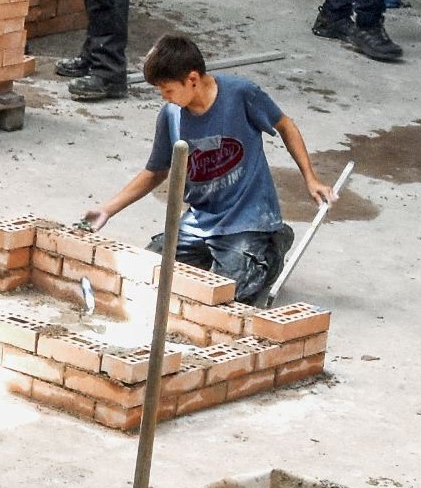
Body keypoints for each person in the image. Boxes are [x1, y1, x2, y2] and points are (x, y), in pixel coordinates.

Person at [82, 34, 333, 305]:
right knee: (150, 273)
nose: (164, 97)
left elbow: (285, 125)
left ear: (192, 79)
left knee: (230, 297)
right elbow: (155, 171)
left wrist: (311, 178)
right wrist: (108, 209)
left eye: (167, 89)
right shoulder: (171, 115)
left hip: (247, 218)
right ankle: (213, 253)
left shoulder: (241, 94)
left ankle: (271, 246)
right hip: (202, 220)